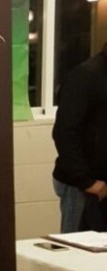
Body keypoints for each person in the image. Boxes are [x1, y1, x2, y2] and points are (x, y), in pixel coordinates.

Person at [52, 42, 107, 233]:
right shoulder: (84, 77)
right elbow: (65, 132)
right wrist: (87, 182)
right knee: (77, 247)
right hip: (84, 188)